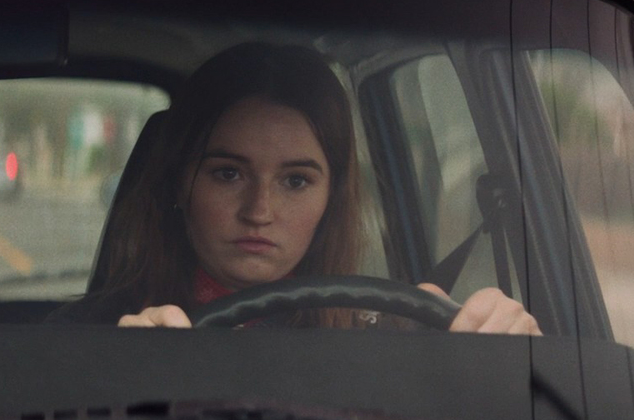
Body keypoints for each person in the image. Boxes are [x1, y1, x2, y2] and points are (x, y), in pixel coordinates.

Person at [52, 43, 540, 334]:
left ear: (331, 199)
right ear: (183, 180)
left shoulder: (391, 333)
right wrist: (117, 372)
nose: (260, 210)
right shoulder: (93, 335)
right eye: (229, 173)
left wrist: (506, 353)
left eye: (295, 181)